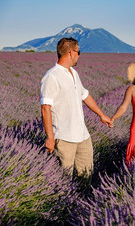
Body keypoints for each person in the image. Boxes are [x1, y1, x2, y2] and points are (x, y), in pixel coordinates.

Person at [40, 37, 112, 179]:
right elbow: (45, 108)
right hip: (64, 137)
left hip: (82, 135)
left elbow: (84, 95)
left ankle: (83, 199)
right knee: (63, 177)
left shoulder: (73, 73)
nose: (79, 55)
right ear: (71, 53)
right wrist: (50, 138)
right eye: (79, 52)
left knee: (86, 175)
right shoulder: (52, 77)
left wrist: (101, 115)